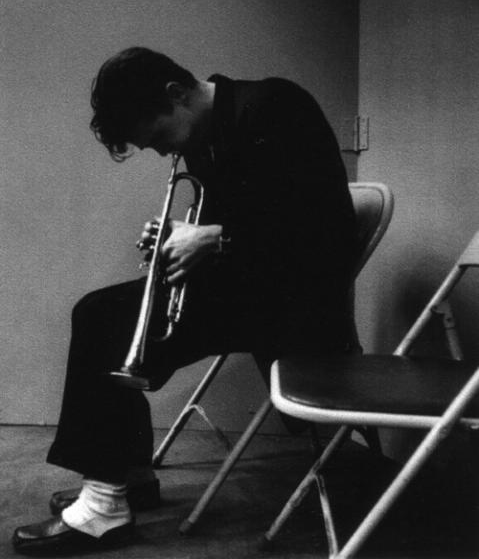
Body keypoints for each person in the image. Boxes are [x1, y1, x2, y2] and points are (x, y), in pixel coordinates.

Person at [12, 46, 359, 555]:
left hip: (293, 304)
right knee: (100, 313)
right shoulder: (204, 134)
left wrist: (217, 238)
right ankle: (127, 477)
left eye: (156, 138)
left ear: (176, 94)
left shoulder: (277, 107)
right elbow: (239, 217)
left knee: (104, 321)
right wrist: (180, 234)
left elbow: (331, 232)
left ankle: (105, 507)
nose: (160, 153)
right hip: (246, 290)